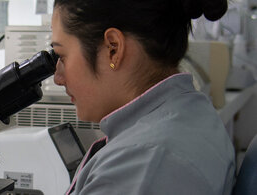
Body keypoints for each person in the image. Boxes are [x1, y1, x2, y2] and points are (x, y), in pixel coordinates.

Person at [50, 0, 235, 194]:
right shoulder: (190, 112)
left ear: (113, 49)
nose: (57, 78)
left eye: (62, 56)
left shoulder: (142, 164)